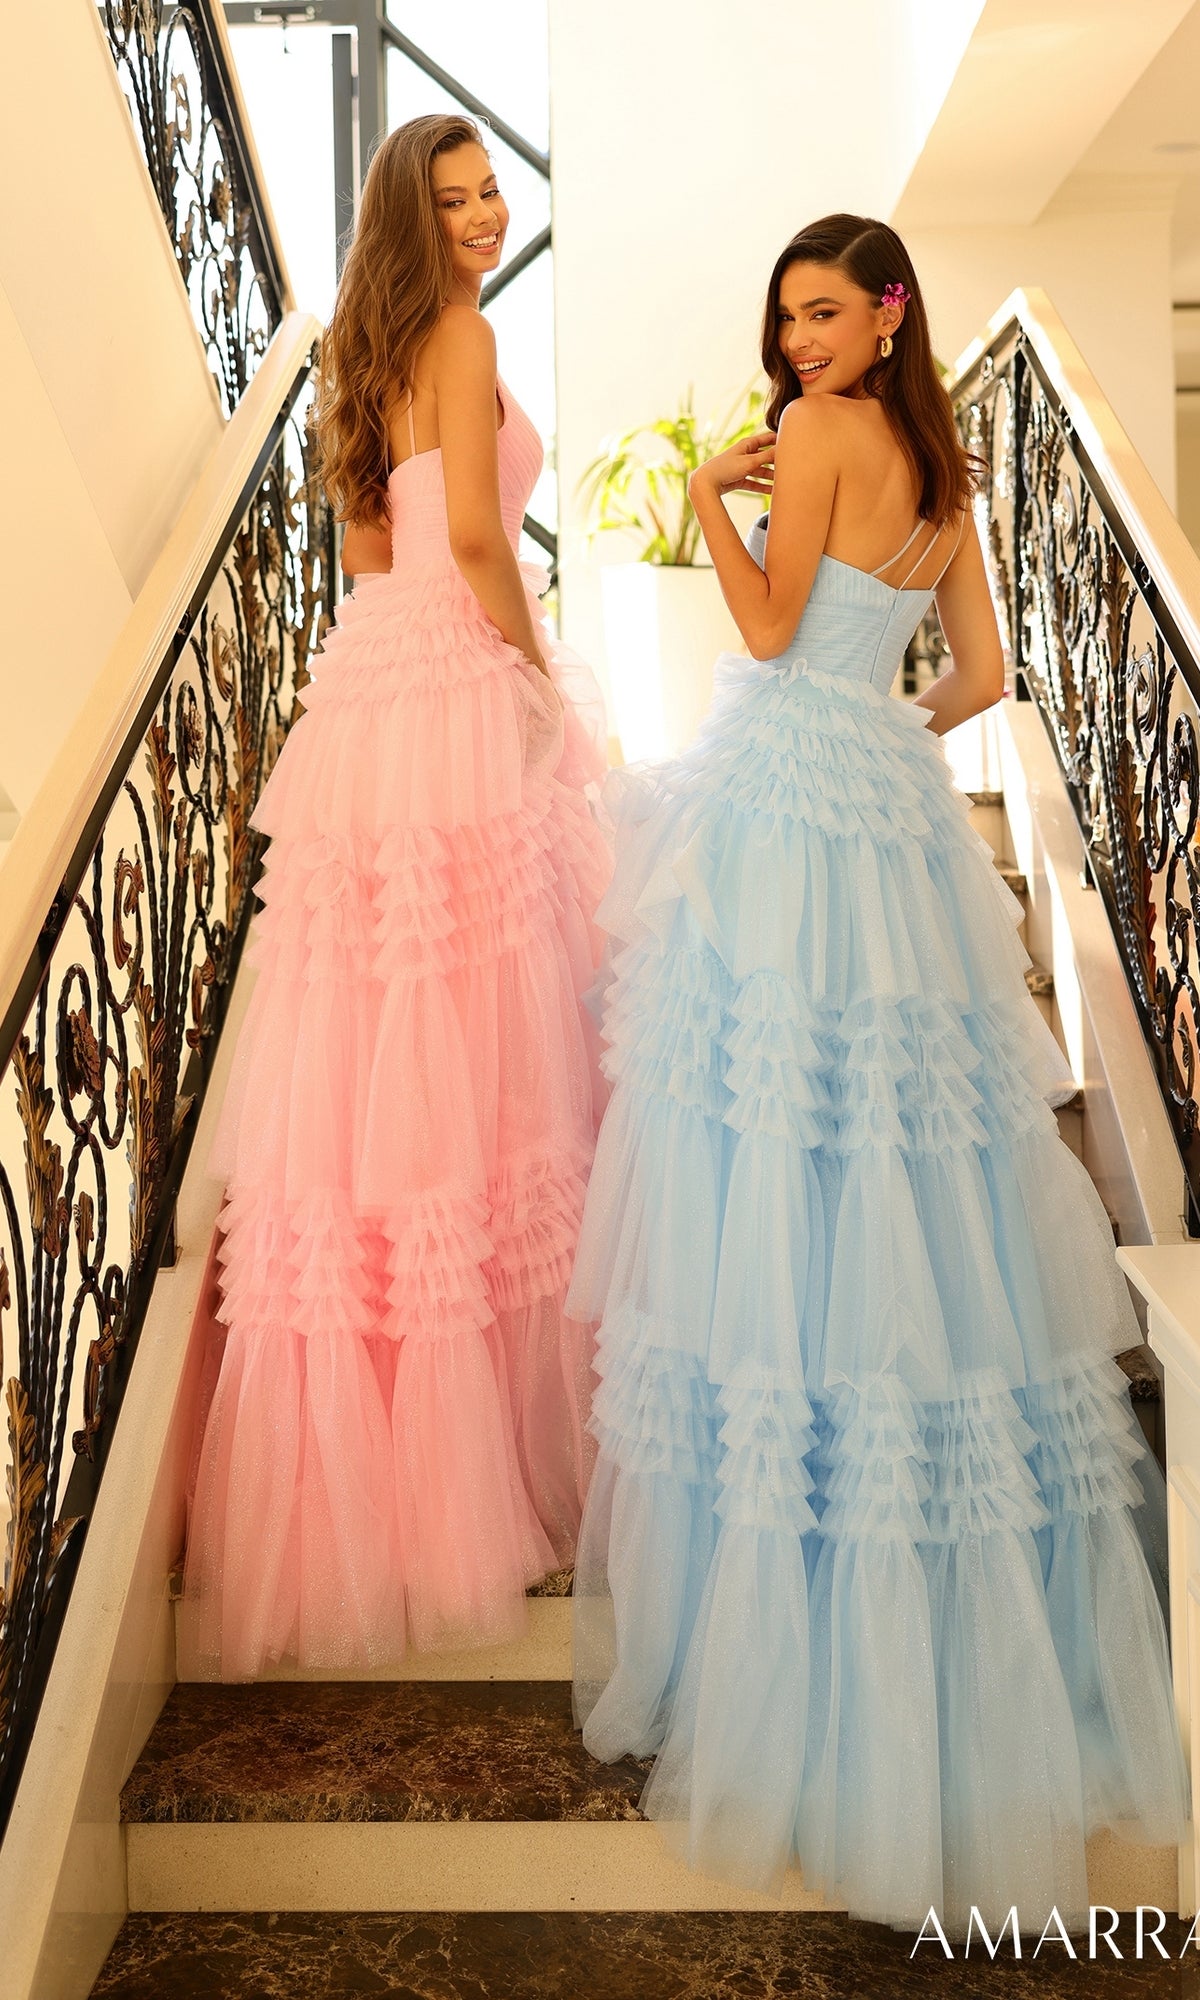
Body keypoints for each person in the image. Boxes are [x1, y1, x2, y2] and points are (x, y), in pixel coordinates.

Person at [569, 213, 1187, 1933]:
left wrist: (710, 499)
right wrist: (885, 738)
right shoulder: (935, 457)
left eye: (827, 313)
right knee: (910, 1172)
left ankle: (781, 1658)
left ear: (886, 312)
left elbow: (766, 640)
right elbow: (979, 676)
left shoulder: (819, 442)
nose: (801, 344)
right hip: (888, 821)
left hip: (784, 804)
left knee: (771, 1154)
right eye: (787, 318)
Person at [180, 114, 610, 1679]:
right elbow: (483, 540)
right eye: (457, 198)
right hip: (454, 679)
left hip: (374, 683)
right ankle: (494, 1464)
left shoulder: (369, 352)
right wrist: (537, 676)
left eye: (494, 187)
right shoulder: (465, 330)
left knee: (386, 1073)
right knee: (497, 1066)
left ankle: (396, 1491)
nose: (489, 214)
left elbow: (375, 547)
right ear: (411, 221)